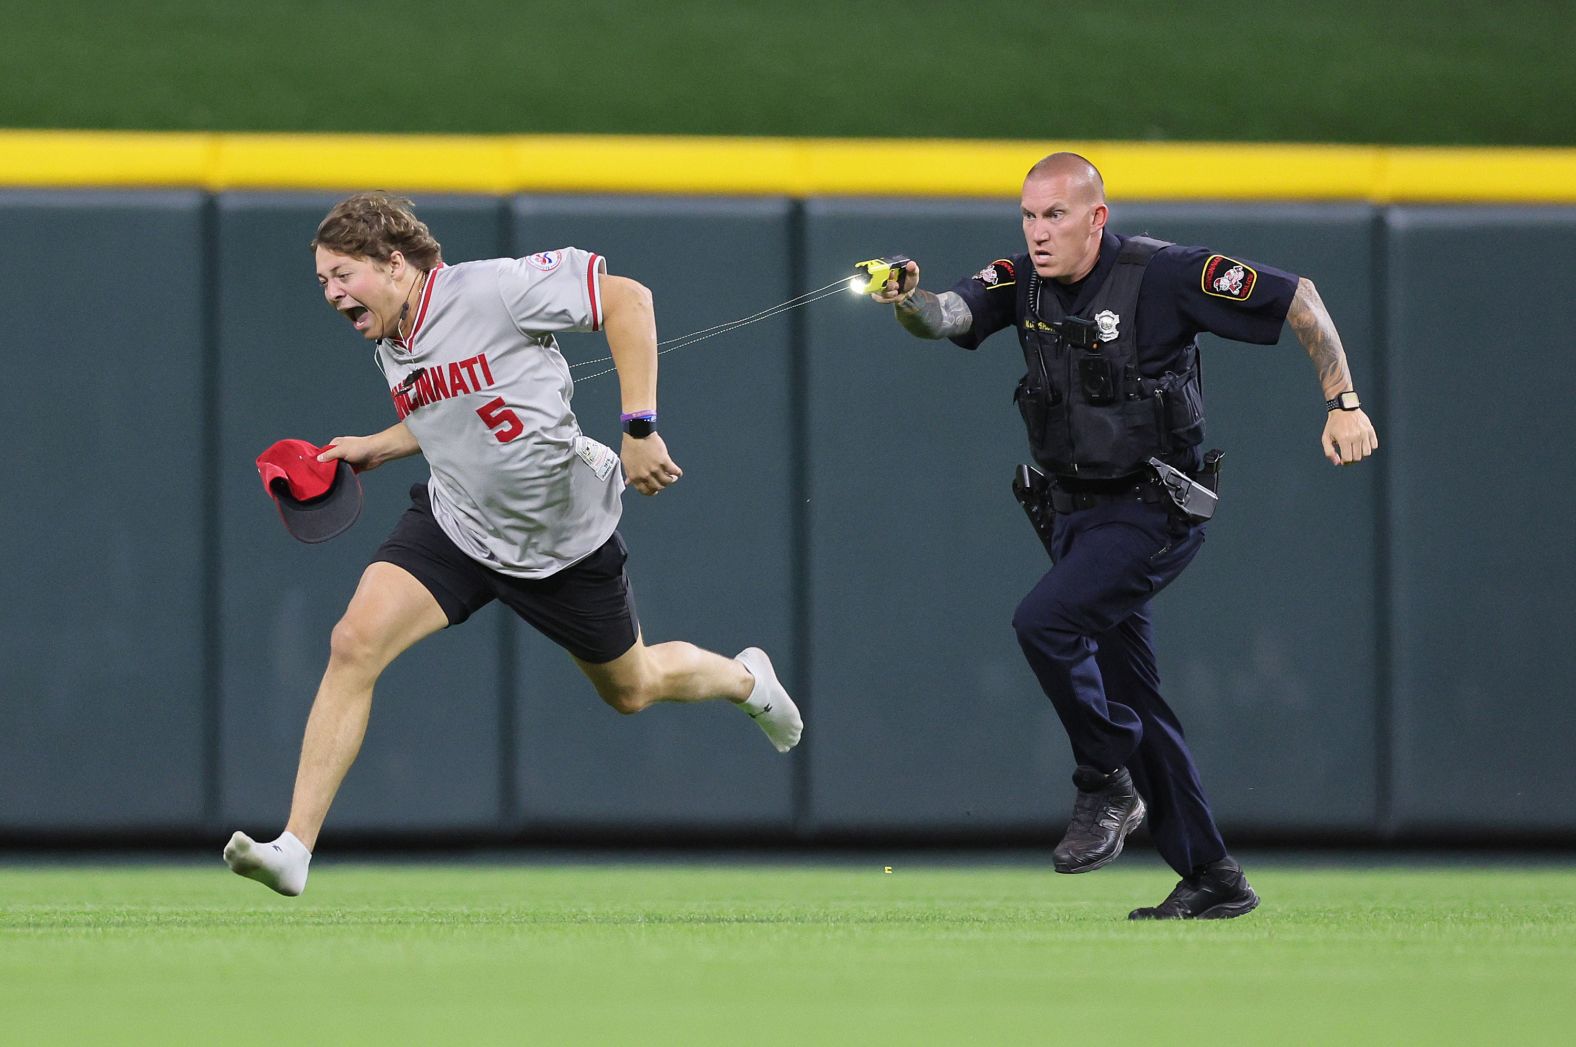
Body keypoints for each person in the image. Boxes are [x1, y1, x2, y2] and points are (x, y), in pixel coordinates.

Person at [224, 192, 803, 896]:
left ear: (397, 263)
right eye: (322, 281)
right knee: (354, 642)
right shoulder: (392, 341)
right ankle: (294, 847)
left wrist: (641, 425)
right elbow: (453, 413)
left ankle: (747, 681)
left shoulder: (495, 288)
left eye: (343, 273)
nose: (332, 291)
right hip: (457, 524)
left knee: (635, 687)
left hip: (562, 540)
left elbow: (630, 302)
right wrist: (375, 446)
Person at [866, 153, 1377, 919]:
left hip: (1153, 506)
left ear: (1096, 217)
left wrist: (1343, 400)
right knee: (1133, 693)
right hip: (1074, 513)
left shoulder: (1162, 274)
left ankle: (1105, 780)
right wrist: (908, 299)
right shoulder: (1024, 278)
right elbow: (949, 316)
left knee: (1044, 621)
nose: (1039, 233)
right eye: (1030, 216)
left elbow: (1297, 297)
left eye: (1056, 216)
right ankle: (1212, 874)